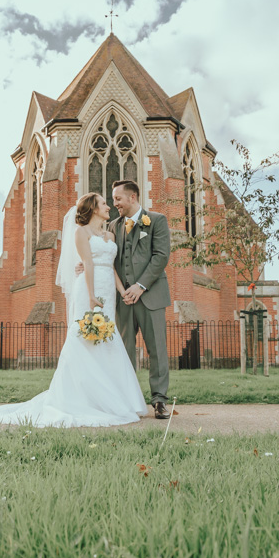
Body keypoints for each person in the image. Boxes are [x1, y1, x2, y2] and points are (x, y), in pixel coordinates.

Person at [0, 193, 148, 428]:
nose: (108, 206)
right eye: (103, 203)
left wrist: (122, 291)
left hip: (108, 290)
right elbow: (87, 263)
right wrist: (90, 296)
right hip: (88, 289)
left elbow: (110, 267)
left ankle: (112, 399)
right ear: (92, 208)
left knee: (107, 338)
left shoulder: (109, 234)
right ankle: (80, 397)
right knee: (84, 338)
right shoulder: (81, 233)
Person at [109, 180, 172, 419]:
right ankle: (127, 399)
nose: (115, 204)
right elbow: (107, 257)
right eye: (114, 200)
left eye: (118, 199)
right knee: (123, 351)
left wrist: (140, 286)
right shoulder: (113, 226)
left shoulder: (156, 220)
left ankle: (159, 401)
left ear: (132, 197)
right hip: (123, 299)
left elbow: (161, 256)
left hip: (151, 298)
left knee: (157, 350)